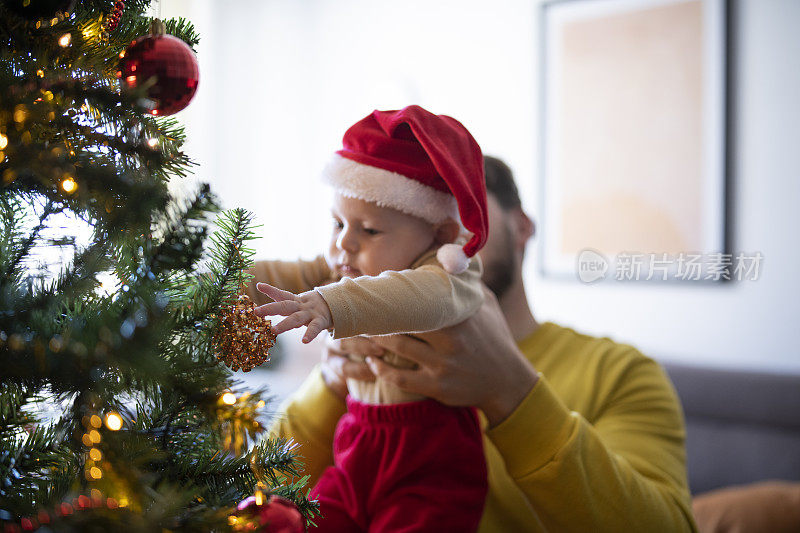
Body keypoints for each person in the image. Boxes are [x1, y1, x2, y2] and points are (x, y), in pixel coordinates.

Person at [268, 155, 699, 532]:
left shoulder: (618, 373)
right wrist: (329, 380)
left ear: (522, 227)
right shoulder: (353, 345)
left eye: (464, 221)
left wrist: (512, 392)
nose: (443, 246)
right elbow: (253, 493)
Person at [248, 105, 491, 531]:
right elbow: (284, 274)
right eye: (338, 222)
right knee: (313, 519)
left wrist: (333, 304)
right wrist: (221, 279)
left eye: (370, 230)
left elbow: (416, 297)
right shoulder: (344, 268)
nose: (345, 242)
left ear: (438, 234)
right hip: (357, 442)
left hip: (431, 461)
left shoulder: (452, 273)